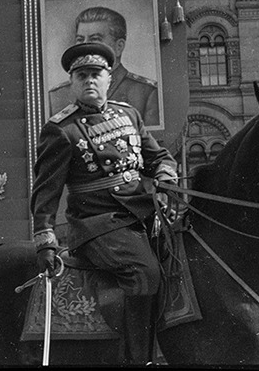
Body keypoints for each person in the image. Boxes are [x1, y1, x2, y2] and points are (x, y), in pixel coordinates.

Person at [31, 42, 178, 365]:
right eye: (81, 75)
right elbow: (46, 192)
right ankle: (139, 358)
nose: (89, 81)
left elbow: (160, 158)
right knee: (144, 272)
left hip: (141, 213)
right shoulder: (61, 130)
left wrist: (165, 180)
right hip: (98, 224)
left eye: (96, 74)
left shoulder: (129, 115)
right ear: (72, 82)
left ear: (109, 78)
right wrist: (45, 240)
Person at [48, 7, 160, 126]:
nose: (86, 45)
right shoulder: (56, 97)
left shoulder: (147, 93)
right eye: (80, 39)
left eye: (95, 39)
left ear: (119, 46)